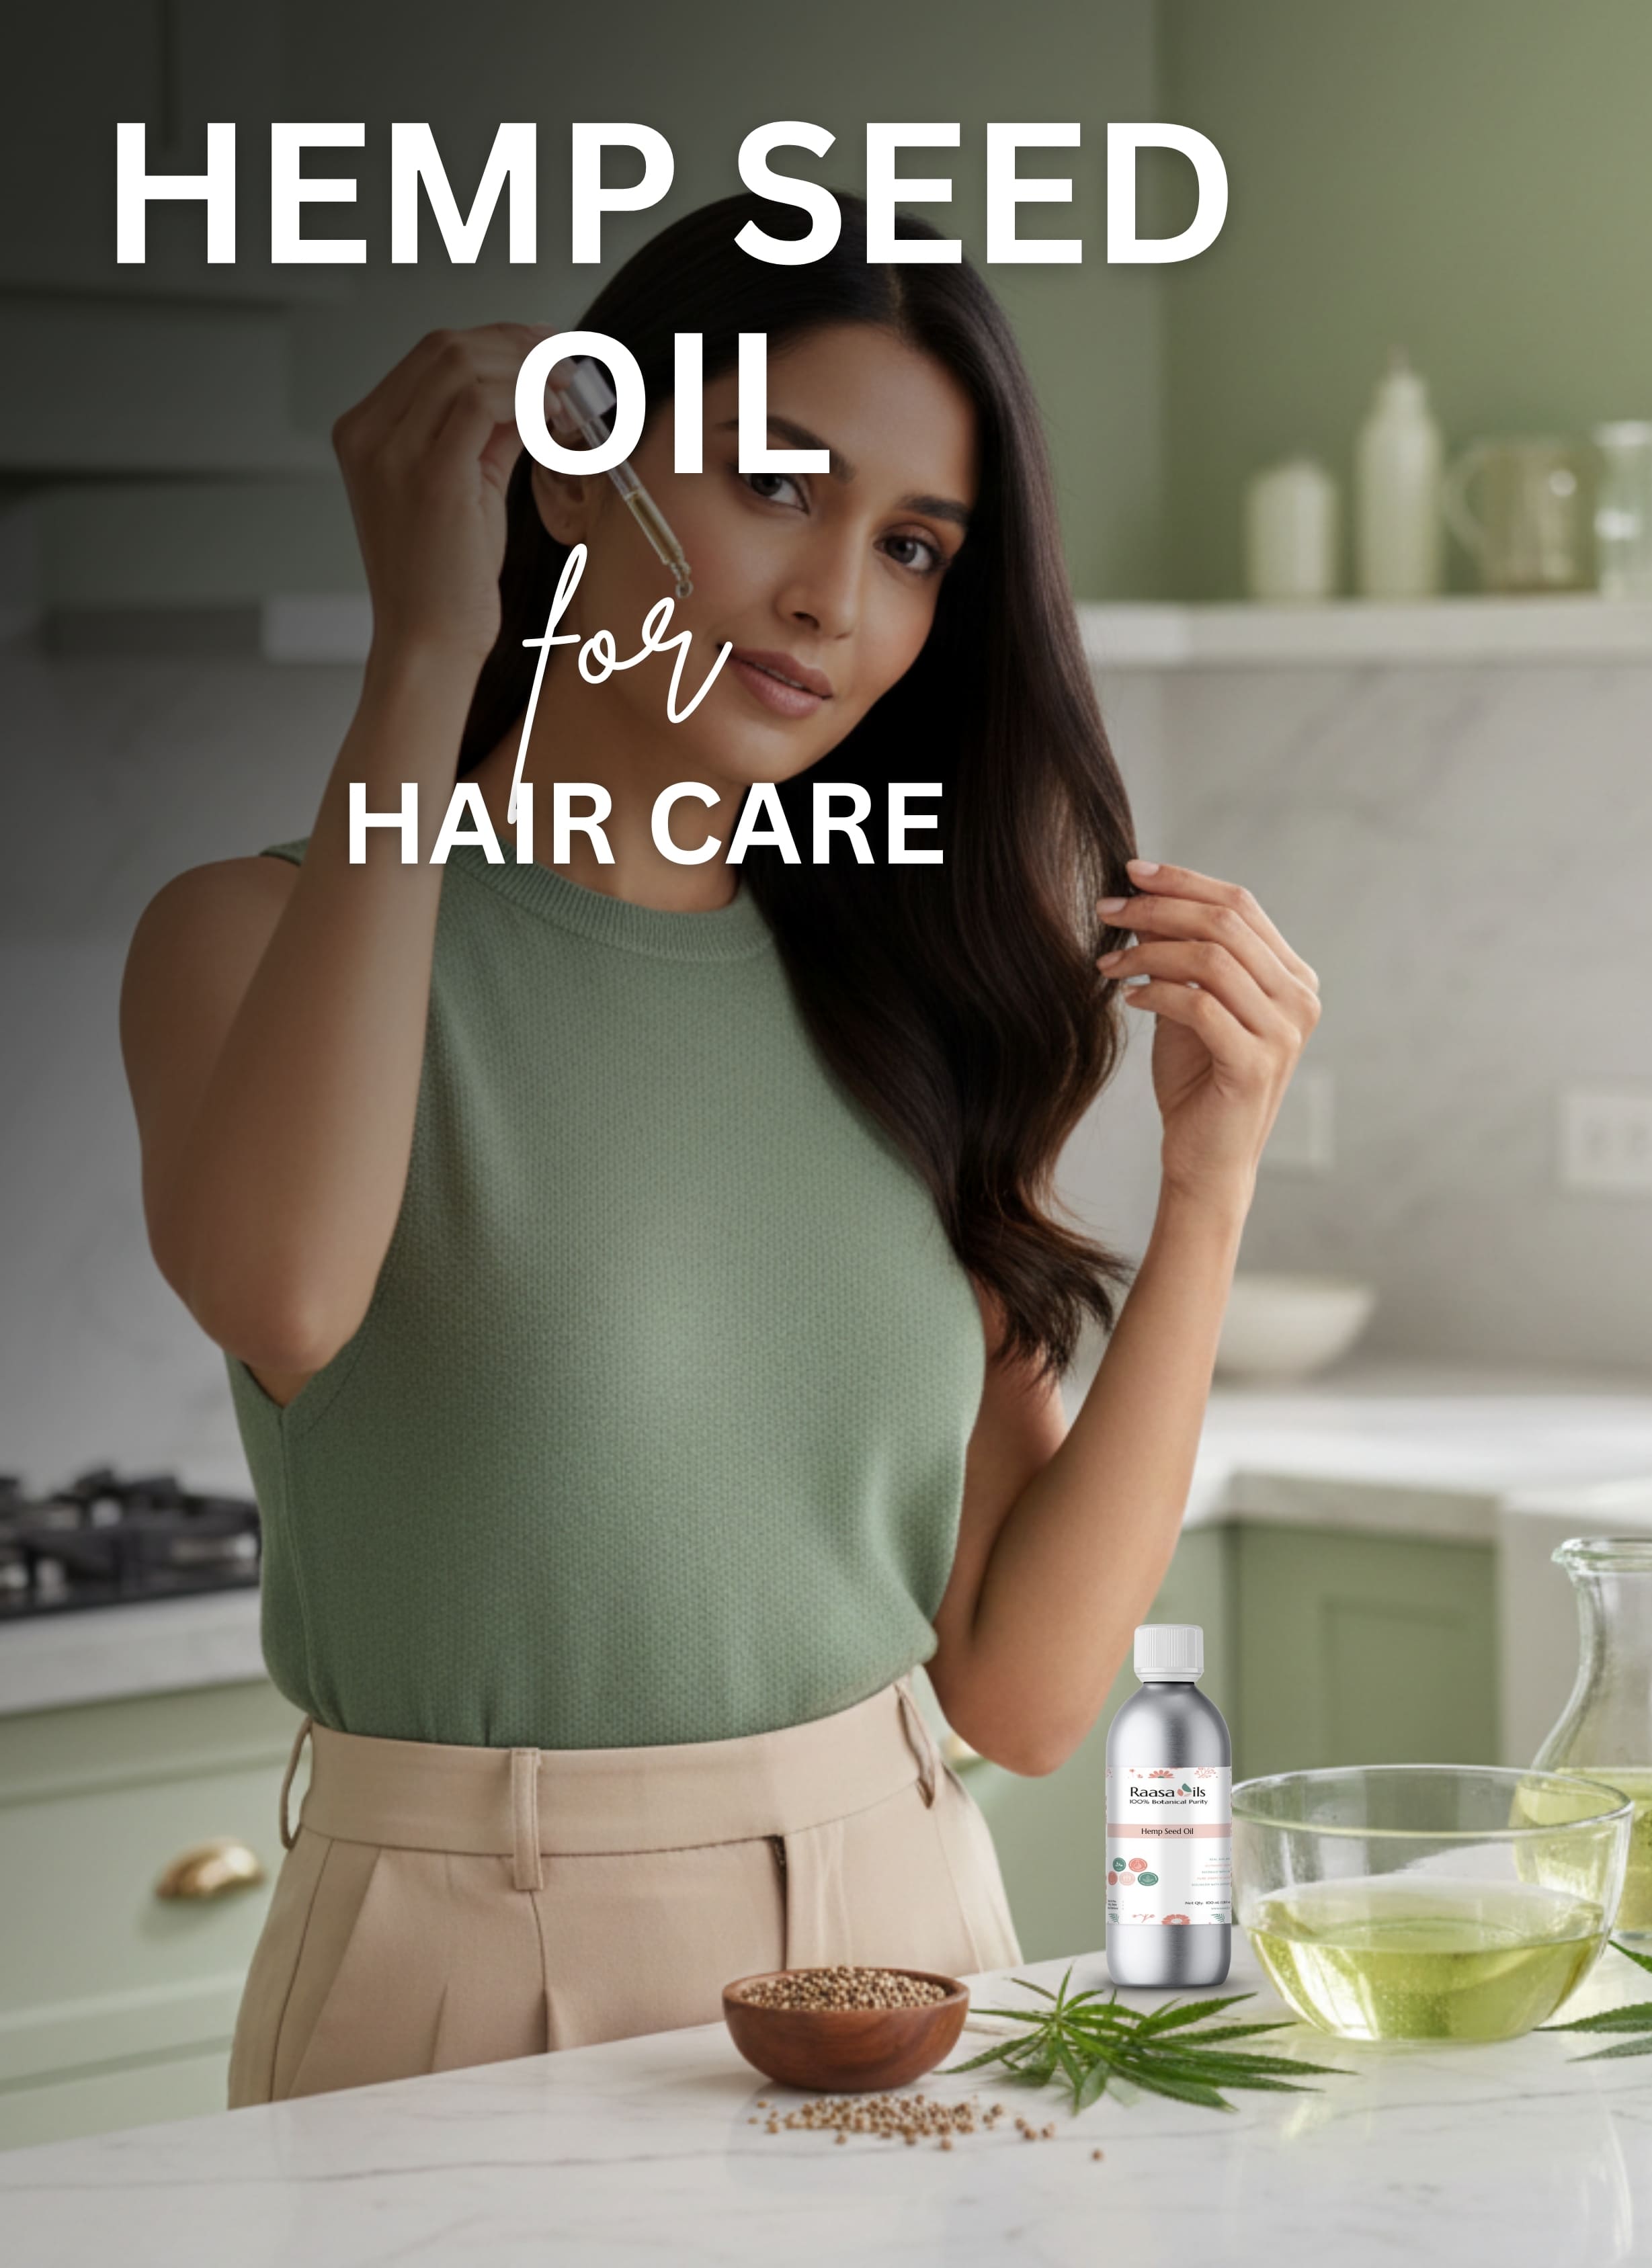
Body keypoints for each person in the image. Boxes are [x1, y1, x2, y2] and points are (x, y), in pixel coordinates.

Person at [118, 194, 1317, 2105]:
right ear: (579, 477)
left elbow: (1021, 1689)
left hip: (908, 1942)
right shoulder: (252, 938)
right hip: (454, 1973)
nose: (839, 599)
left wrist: (1214, 1183)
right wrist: (431, 645)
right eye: (778, 485)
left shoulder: (912, 1001)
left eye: (914, 547)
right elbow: (279, 1287)